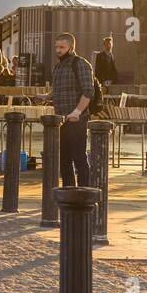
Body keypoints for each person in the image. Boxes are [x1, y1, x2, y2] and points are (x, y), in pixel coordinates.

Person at [51, 32, 95, 187]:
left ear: (71, 47)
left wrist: (77, 112)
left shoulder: (81, 64)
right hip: (61, 120)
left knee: (79, 158)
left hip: (77, 119)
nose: (58, 50)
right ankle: (68, 191)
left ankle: (83, 191)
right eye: (56, 47)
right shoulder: (58, 66)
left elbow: (88, 91)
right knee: (63, 159)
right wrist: (46, 96)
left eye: (62, 47)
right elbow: (60, 91)